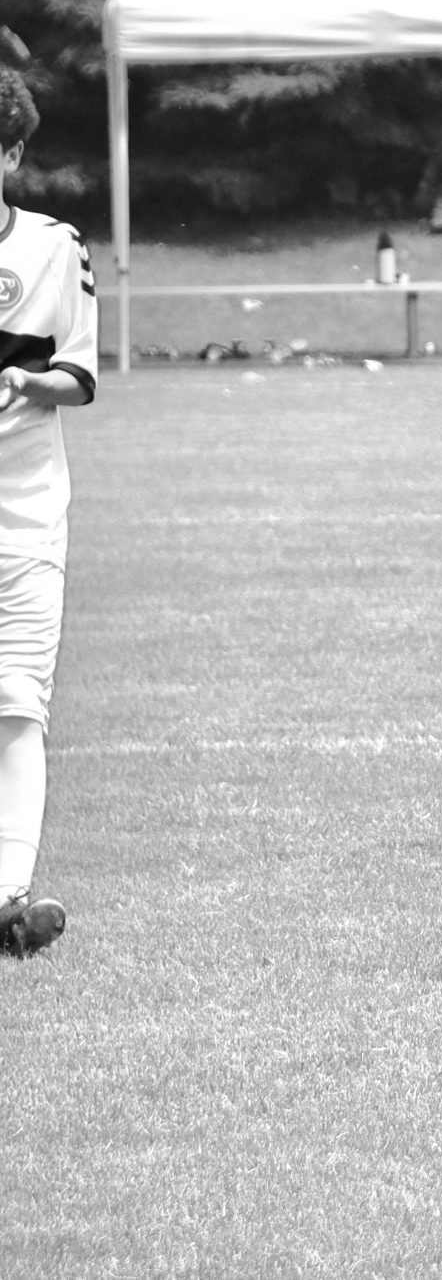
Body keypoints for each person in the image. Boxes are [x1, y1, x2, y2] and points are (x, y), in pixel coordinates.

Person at [0, 58, 92, 959]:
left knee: (19, 703)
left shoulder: (53, 248)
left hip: (26, 515)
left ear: (14, 153)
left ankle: (10, 900)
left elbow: (80, 371)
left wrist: (30, 377)